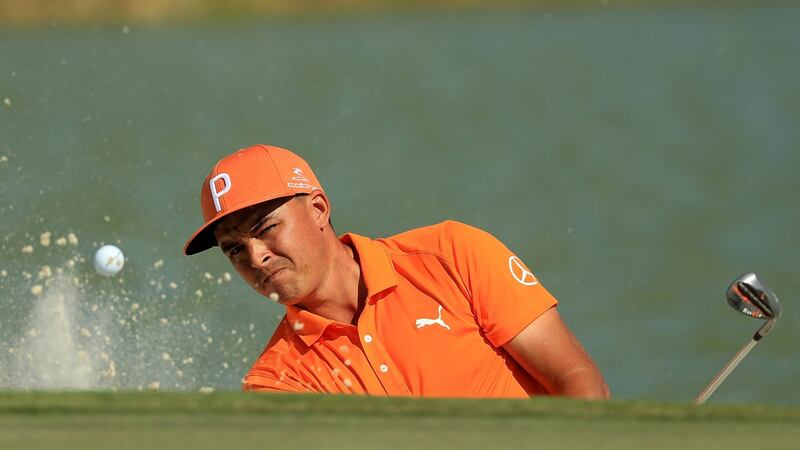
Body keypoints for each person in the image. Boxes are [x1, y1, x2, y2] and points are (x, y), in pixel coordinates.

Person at [183, 144, 609, 398]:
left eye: (266, 228)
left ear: (317, 209)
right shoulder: (277, 384)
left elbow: (578, 380)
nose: (256, 258)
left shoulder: (453, 254)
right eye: (235, 249)